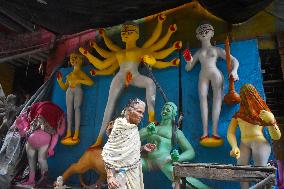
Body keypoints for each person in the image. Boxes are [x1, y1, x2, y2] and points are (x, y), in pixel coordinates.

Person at [79, 14, 182, 148]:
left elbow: (155, 57)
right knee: (109, 105)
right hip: (120, 77)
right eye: (124, 32)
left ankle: (151, 117)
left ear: (137, 34)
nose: (126, 34)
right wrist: (87, 54)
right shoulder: (118, 53)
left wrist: (168, 61)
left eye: (130, 31)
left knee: (150, 83)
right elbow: (102, 64)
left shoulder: (141, 50)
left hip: (135, 76)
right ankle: (99, 139)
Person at [184, 23, 239, 146]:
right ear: (197, 36)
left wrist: (234, 71)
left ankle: (214, 131)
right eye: (200, 31)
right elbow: (188, 68)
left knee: (217, 100)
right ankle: (204, 132)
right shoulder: (198, 52)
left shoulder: (217, 49)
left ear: (212, 33)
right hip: (203, 74)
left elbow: (234, 60)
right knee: (202, 100)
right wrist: (188, 60)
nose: (203, 32)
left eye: (206, 30)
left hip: (215, 73)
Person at [140, 102, 209, 189]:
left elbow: (190, 152)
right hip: (147, 161)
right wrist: (147, 132)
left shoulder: (176, 132)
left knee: (181, 178)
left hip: (164, 161)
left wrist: (177, 158)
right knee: (128, 164)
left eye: (168, 110)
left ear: (174, 114)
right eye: (163, 109)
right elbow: (133, 140)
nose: (165, 111)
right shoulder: (152, 126)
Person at [227, 84, 281, 189]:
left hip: (259, 143)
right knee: (241, 172)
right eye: (244, 95)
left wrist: (272, 122)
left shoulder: (263, 113)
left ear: (255, 95)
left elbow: (276, 136)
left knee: (260, 174)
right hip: (244, 143)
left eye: (249, 94)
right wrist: (234, 146)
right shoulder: (238, 115)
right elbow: (230, 132)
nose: (247, 98)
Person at [102, 98, 156, 189]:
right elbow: (108, 152)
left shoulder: (133, 128)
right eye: (139, 112)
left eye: (142, 113)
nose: (142, 116)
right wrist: (110, 176)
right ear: (129, 111)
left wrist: (142, 148)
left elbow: (125, 151)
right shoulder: (119, 126)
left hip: (134, 172)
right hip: (119, 174)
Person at [57, 53, 94, 145]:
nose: (73, 60)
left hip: (78, 90)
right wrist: (60, 81)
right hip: (69, 91)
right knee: (69, 111)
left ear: (80, 60)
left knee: (77, 109)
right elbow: (65, 87)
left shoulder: (81, 73)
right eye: (72, 58)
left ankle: (76, 132)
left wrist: (79, 81)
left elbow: (90, 82)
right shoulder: (69, 75)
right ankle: (69, 132)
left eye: (75, 58)